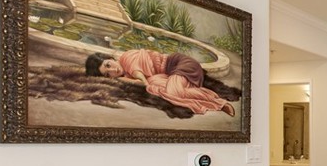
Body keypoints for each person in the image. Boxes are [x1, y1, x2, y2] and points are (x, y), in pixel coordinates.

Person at [85, 49, 235, 117]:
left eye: (108, 65)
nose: (112, 71)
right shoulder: (127, 72)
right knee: (156, 87)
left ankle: (220, 103)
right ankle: (214, 100)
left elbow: (142, 82)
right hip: (169, 74)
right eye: (107, 74)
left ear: (110, 58)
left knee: (170, 92)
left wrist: (121, 78)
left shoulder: (127, 58)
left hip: (181, 64)